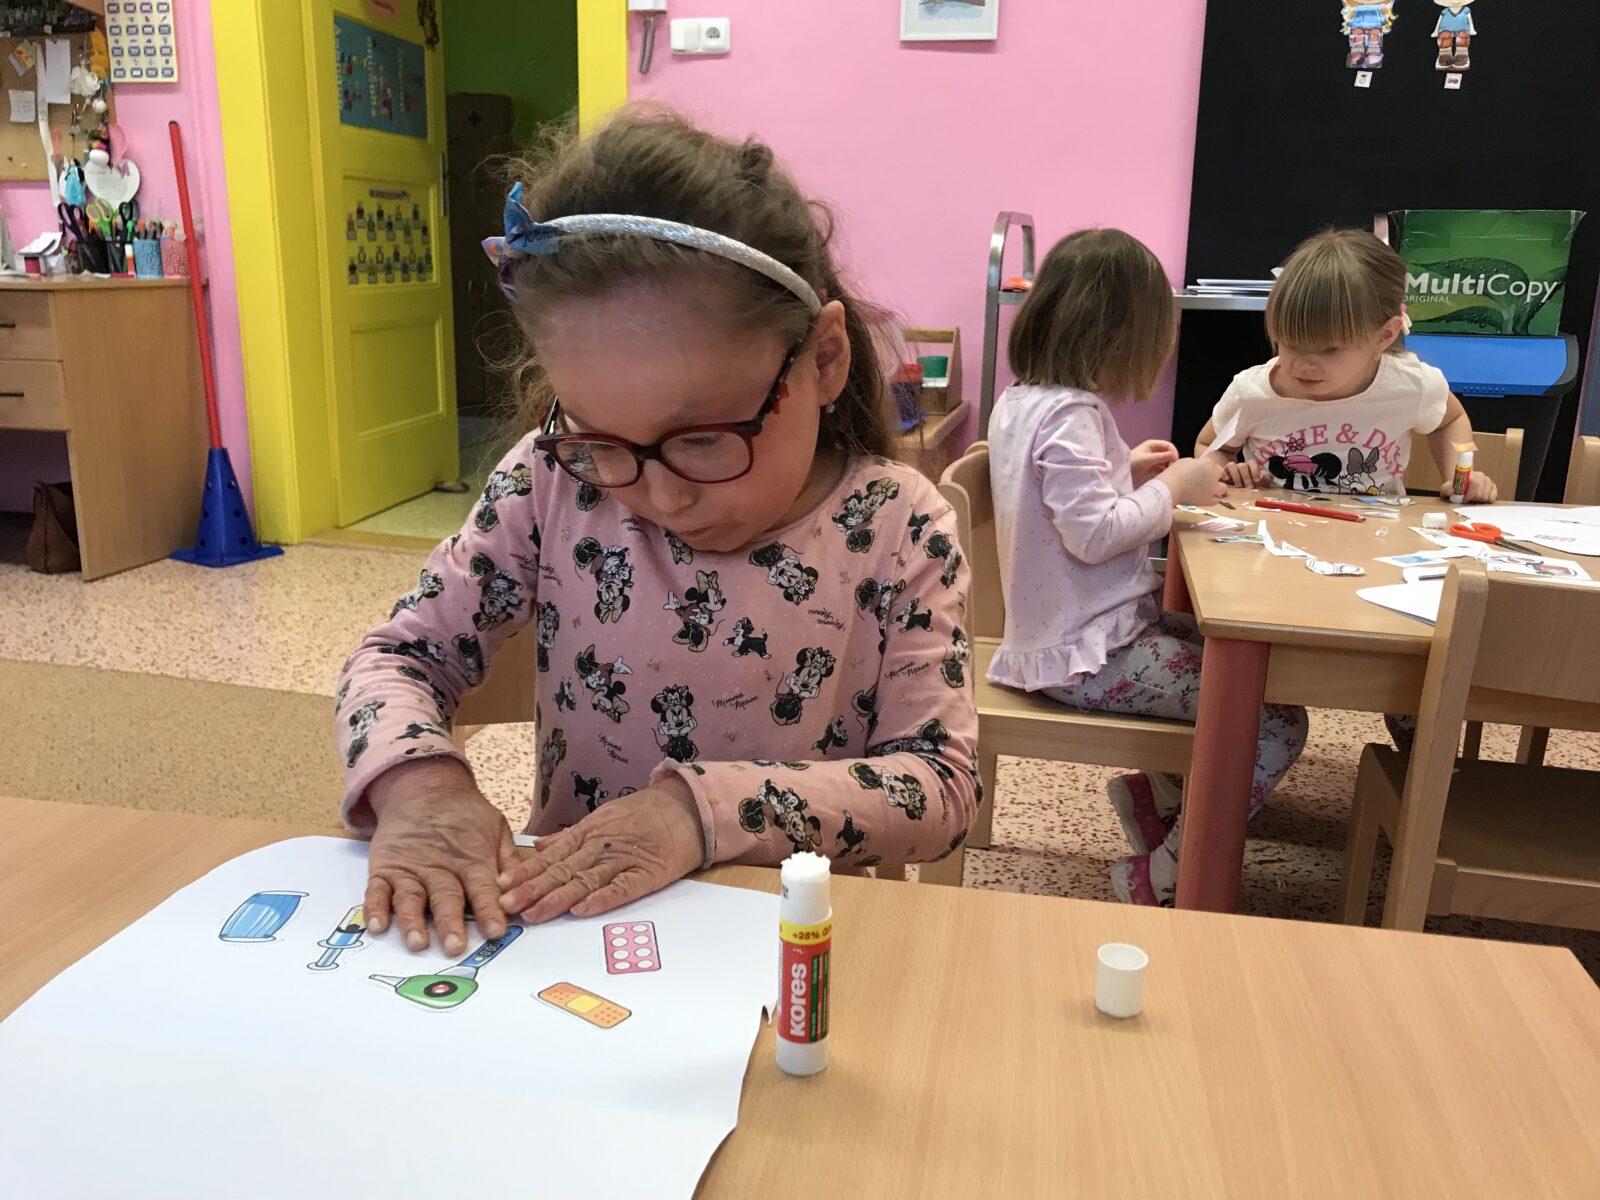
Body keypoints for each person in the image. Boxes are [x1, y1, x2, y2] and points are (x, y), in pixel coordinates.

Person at [334, 110, 978, 955]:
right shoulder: (554, 480)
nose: (661, 495)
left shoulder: (899, 525)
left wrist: (693, 812)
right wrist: (422, 786)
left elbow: (938, 783)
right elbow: (400, 657)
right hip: (571, 944)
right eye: (603, 439)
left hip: (790, 946)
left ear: (823, 359)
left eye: (705, 439)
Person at [987, 228, 1308, 906]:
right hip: (1085, 655)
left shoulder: (1024, 399)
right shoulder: (1071, 414)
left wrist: (1125, 471)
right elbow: (1092, 534)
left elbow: (1050, 500)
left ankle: (1154, 800)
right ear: (1121, 338)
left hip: (1070, 637)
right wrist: (1172, 489)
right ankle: (1165, 871)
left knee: (1233, 654)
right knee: (1275, 721)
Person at [1195, 229, 1498, 502]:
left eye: (1329, 350)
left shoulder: (1409, 383)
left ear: (1384, 336)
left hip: (1375, 537)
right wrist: (1225, 473)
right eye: (1289, 343)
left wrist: (1460, 477)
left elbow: (1449, 419)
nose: (1303, 365)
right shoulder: (1252, 392)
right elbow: (1211, 446)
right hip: (1272, 536)